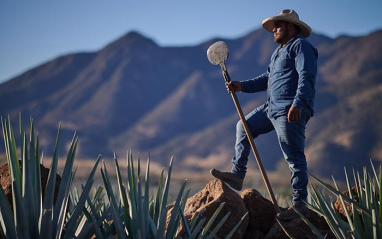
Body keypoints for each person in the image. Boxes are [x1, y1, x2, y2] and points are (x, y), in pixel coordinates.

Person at [210, 9, 318, 219]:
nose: (274, 30)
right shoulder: (278, 52)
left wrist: (298, 104)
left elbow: (307, 76)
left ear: (291, 26)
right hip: (271, 107)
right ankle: (237, 174)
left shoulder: (301, 46)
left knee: (293, 155)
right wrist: (241, 86)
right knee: (243, 126)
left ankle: (300, 203)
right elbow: (267, 79)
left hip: (290, 108)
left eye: (278, 25)